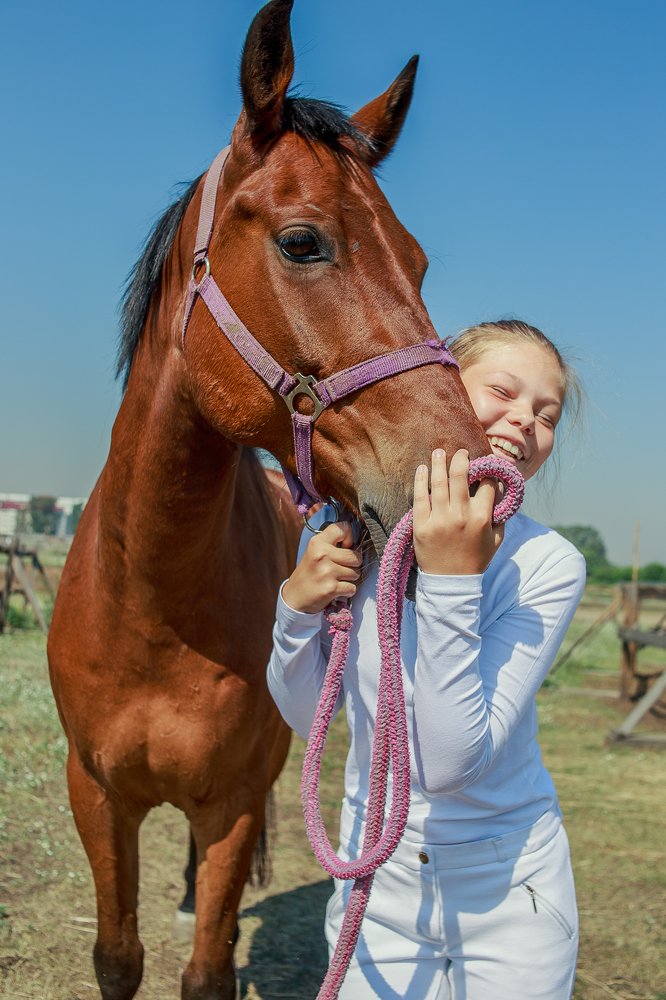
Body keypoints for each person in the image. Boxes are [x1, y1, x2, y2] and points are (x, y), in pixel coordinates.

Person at [267, 320, 586, 1000]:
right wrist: (294, 610)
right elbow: (310, 718)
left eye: (547, 415)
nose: (525, 419)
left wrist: (449, 582)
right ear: (438, 388)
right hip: (375, 885)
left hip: (509, 894)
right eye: (503, 391)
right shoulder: (343, 533)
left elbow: (447, 765)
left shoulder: (548, 564)